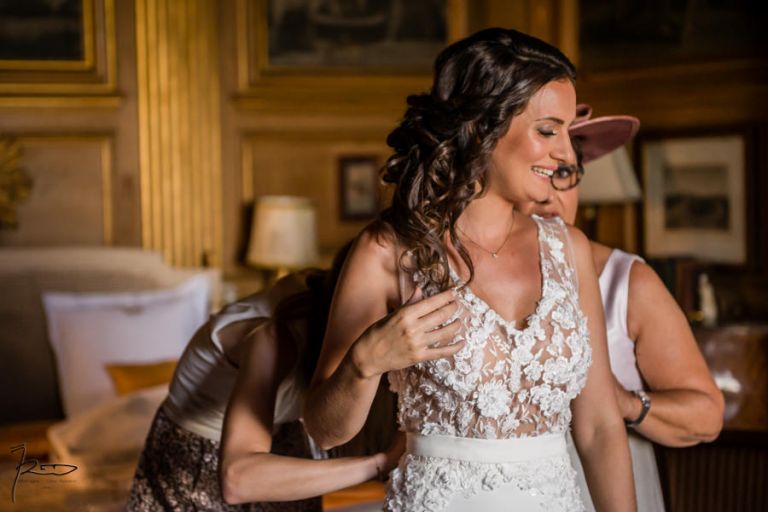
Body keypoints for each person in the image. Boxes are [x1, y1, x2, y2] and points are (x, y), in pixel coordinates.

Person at [304, 28, 636, 511]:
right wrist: (366, 361)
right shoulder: (388, 252)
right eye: (548, 130)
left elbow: (600, 425)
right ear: (483, 128)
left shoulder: (570, 250)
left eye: (566, 132)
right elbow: (324, 429)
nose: (566, 153)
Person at [518, 104, 725, 511]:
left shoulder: (625, 281)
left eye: (564, 173)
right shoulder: (470, 275)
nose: (550, 193)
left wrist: (626, 402)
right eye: (537, 172)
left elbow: (706, 415)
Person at [127, 245, 402, 511]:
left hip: (283, 441)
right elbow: (237, 480)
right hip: (198, 464)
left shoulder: (333, 298)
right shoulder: (273, 338)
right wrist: (378, 464)